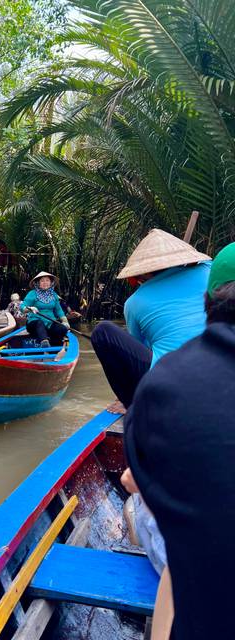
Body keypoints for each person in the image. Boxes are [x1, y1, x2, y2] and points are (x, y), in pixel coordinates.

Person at [124, 242, 235, 640]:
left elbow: (140, 344)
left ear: (208, 299)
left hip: (166, 388)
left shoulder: (163, 382)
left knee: (134, 497)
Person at [91, 229, 211, 413]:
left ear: (143, 274)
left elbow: (137, 350)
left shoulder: (134, 303)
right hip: (221, 370)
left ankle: (132, 404)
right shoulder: (208, 270)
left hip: (171, 382)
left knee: (102, 331)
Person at [20, 271, 70, 348]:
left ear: (51, 282)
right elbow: (22, 306)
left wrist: (65, 321)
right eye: (42, 281)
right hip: (34, 323)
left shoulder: (54, 295)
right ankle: (44, 342)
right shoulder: (32, 293)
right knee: (39, 323)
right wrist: (30, 308)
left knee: (62, 328)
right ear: (38, 283)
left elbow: (59, 310)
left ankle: (55, 348)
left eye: (47, 280)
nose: (45, 282)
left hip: (50, 322)